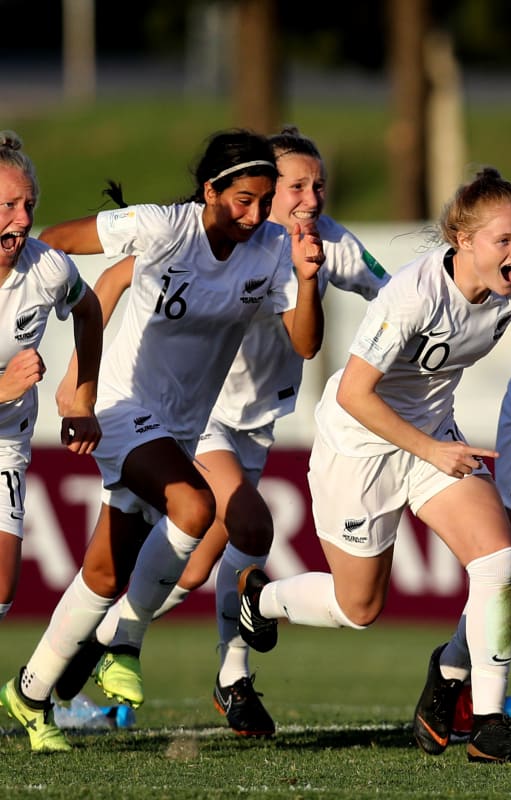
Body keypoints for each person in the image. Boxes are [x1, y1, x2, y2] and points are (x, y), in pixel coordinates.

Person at [235, 167, 511, 763]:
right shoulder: (413, 295)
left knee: (499, 561)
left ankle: (488, 721)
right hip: (360, 446)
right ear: (464, 241)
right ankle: (262, 598)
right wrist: (430, 449)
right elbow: (353, 393)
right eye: (504, 240)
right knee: (360, 609)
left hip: (432, 439)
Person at [52, 127, 390, 738]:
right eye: (296, 186)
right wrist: (79, 381)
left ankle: (90, 653)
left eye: (319, 185)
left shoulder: (325, 242)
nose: (309, 198)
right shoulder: (210, 234)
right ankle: (228, 676)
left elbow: (392, 298)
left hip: (255, 424)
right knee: (251, 523)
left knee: (191, 569)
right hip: (196, 415)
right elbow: (111, 280)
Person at [0, 128, 325, 753]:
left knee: (103, 571)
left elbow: (305, 343)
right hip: (123, 405)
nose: (255, 215)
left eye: (264, 201)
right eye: (242, 201)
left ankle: (30, 691)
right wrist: (79, 388)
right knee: (197, 508)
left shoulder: (272, 250)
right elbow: (59, 245)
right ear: (210, 191)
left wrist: (308, 280)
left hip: (182, 425)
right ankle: (124, 642)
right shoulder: (161, 228)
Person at [0, 131, 103, 627]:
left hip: (5, 443)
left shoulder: (48, 268)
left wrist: (81, 398)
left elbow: (90, 311)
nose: (22, 219)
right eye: (8, 205)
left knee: (2, 583)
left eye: (28, 205)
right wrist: (3, 389)